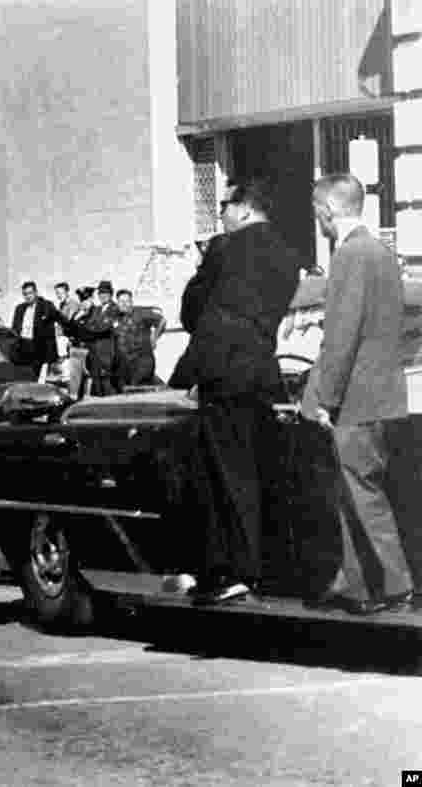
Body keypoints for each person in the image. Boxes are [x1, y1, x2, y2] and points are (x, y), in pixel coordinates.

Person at [170, 177, 303, 605]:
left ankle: (231, 571)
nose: (221, 214)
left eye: (224, 206)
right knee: (255, 469)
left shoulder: (224, 248)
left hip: (220, 370)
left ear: (243, 209)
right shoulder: (288, 256)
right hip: (261, 370)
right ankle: (261, 567)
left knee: (222, 474)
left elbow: (190, 311)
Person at [302, 173, 414, 615]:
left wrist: (323, 399)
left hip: (355, 398)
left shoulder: (350, 255)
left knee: (362, 492)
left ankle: (394, 584)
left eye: (317, 215)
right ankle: (357, 584)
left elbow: (341, 336)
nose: (318, 223)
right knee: (354, 490)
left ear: (327, 210)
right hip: (383, 392)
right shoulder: (383, 252)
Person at [112, 289, 164, 388]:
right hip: (126, 364)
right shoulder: (117, 318)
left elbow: (162, 320)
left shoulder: (141, 313)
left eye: (127, 301)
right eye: (121, 302)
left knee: (138, 389)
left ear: (131, 302)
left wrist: (154, 337)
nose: (124, 304)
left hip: (142, 361)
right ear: (117, 303)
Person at [11, 281, 61, 377]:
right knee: (22, 378)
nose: (28, 296)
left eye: (30, 293)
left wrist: (50, 357)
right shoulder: (19, 308)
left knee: (37, 380)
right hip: (22, 347)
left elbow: (51, 332)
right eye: (25, 294)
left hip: (39, 349)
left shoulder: (46, 306)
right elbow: (15, 329)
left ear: (36, 293)